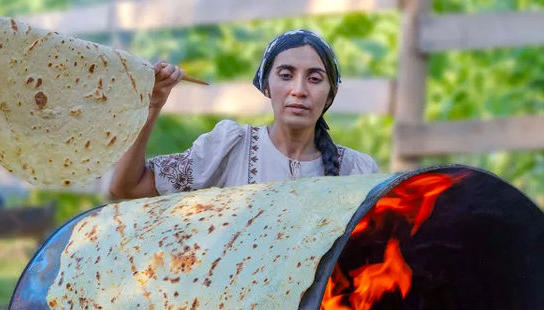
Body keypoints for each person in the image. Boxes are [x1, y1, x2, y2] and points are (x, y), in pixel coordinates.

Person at [109, 30, 378, 199]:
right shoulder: (230, 147)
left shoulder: (356, 172)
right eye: (285, 75)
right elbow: (127, 188)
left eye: (315, 78)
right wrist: (152, 105)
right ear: (266, 86)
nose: (299, 90)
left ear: (331, 93)